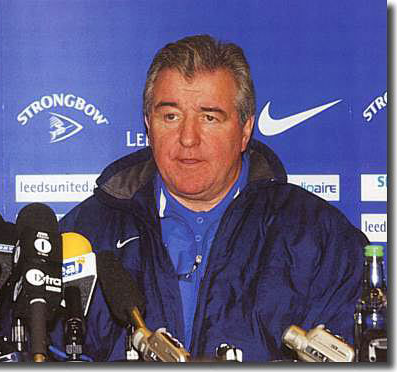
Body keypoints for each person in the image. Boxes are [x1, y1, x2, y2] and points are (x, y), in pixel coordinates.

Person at [52, 35, 368, 361]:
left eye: (209, 117)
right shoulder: (86, 234)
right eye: (171, 116)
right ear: (148, 124)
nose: (188, 138)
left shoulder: (318, 237)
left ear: (245, 130)